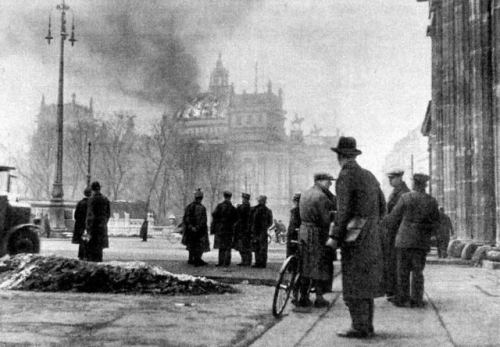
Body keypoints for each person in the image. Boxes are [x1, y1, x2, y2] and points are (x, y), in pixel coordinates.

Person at [328, 136, 386, 338]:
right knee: (366, 282)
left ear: (340, 157)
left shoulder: (345, 176)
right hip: (372, 235)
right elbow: (382, 206)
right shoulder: (369, 175)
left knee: (352, 281)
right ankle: (367, 325)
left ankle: (358, 327)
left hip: (354, 237)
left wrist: (335, 236)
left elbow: (343, 211)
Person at [384, 173, 440, 308]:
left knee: (402, 270)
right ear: (425, 185)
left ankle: (402, 298)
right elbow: (436, 222)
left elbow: (393, 218)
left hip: (403, 239)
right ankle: (417, 299)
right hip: (421, 241)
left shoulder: (405, 198)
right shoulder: (431, 201)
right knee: (418, 271)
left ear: (414, 184)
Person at [297, 173, 336, 308]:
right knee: (319, 264)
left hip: (303, 231)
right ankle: (319, 298)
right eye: (328, 181)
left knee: (304, 265)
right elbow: (325, 220)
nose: (330, 184)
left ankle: (303, 296)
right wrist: (333, 216)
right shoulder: (321, 197)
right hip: (316, 233)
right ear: (320, 181)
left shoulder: (305, 193)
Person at [383, 169, 410, 301]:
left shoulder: (403, 193)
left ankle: (396, 292)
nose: (390, 181)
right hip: (393, 232)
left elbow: (396, 214)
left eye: (392, 178)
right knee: (391, 262)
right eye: (389, 178)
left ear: (399, 178)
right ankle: (392, 290)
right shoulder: (396, 192)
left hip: (398, 232)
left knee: (397, 263)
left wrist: (384, 221)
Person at [182, 189, 210, 266]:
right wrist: (197, 227)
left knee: (191, 244)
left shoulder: (189, 206)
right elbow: (203, 220)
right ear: (201, 198)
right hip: (200, 230)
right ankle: (197, 259)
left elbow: (186, 218)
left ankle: (191, 259)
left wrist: (191, 227)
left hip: (191, 230)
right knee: (199, 245)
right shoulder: (202, 208)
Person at [85, 181, 111, 262]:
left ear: (92, 189)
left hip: (93, 227)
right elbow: (108, 214)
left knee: (92, 248)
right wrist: (104, 222)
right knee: (99, 248)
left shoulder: (91, 200)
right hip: (102, 226)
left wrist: (88, 227)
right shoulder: (105, 199)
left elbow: (90, 215)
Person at [212, 191, 238, 267]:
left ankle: (220, 262)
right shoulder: (233, 208)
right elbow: (236, 218)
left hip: (220, 229)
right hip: (229, 230)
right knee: (228, 247)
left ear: (224, 197)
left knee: (221, 247)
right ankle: (227, 262)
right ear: (230, 197)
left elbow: (214, 215)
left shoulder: (219, 206)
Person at [249, 195, 273, 268]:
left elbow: (270, 222)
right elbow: (270, 222)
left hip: (258, 231)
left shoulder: (255, 209)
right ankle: (261, 263)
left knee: (259, 247)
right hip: (260, 231)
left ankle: (259, 263)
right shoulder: (267, 210)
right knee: (260, 247)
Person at [233, 193, 252, 266]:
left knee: (243, 246)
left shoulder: (243, 207)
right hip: (246, 230)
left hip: (242, 229)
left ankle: (245, 261)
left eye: (244, 199)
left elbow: (237, 215)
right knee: (245, 246)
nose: (243, 200)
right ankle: (246, 261)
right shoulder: (249, 207)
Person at [72, 187, 92, 260]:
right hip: (89, 225)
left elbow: (76, 215)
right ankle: (88, 255)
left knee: (82, 241)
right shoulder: (91, 203)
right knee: (89, 240)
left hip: (81, 225)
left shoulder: (80, 203)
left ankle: (81, 255)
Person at [286, 193, 301, 258]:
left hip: (293, 233)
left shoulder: (295, 211)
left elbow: (293, 223)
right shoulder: (297, 210)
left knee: (292, 251)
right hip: (296, 232)